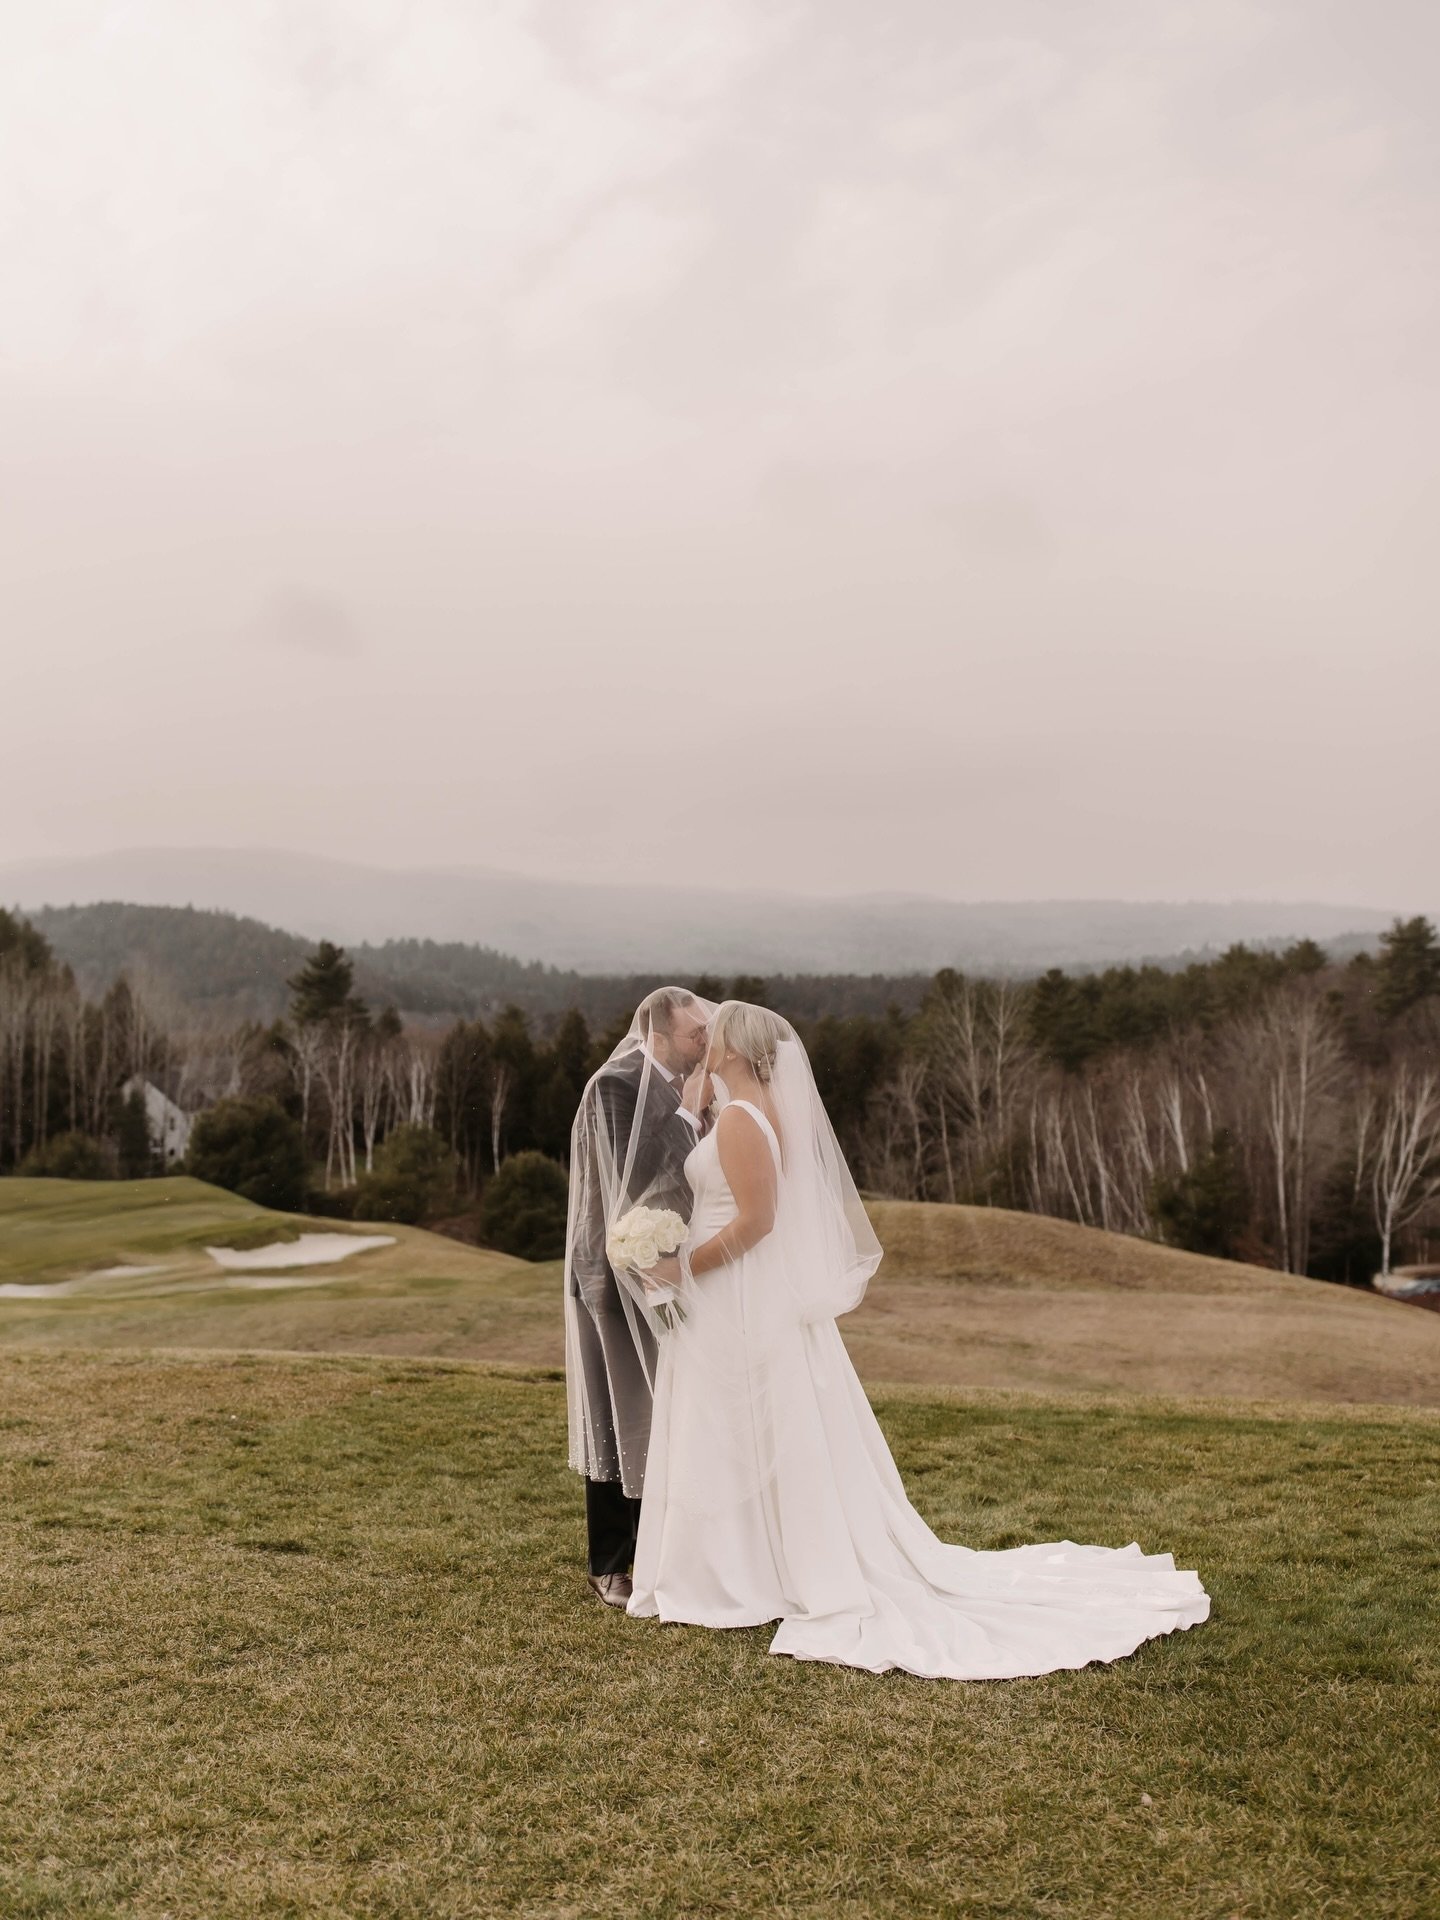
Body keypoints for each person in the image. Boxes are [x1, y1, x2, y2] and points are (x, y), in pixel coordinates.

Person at [623, 1001, 1210, 1679]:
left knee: (741, 1426)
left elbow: (756, 1223)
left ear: (733, 1047)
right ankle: (738, 1563)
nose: (707, 1039)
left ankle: (739, 1572)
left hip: (735, 1293)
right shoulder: (745, 1111)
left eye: (715, 1031)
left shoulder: (740, 1121)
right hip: (738, 1295)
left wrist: (682, 1266)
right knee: (739, 1430)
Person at [562, 986, 716, 1606]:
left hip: (667, 1266)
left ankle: (664, 1547)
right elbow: (630, 1174)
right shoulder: (613, 1086)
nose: (703, 1044)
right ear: (657, 1035)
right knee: (617, 1408)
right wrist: (687, 1116)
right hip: (611, 1269)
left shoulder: (689, 1086)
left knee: (665, 1408)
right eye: (693, 1036)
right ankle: (612, 1561)